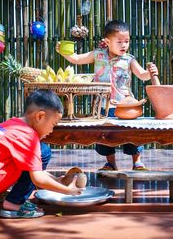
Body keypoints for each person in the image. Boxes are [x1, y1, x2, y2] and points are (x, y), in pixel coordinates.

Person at [55, 20, 158, 171]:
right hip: (102, 105)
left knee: (131, 134)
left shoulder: (129, 59)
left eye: (127, 41)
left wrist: (150, 72)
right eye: (120, 42)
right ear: (107, 41)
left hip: (125, 105)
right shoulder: (97, 55)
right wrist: (64, 52)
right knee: (105, 136)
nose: (124, 45)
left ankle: (137, 162)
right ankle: (111, 163)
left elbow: (142, 75)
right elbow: (76, 59)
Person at [0, 89, 84, 218]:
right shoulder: (28, 137)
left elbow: (28, 167)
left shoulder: (13, 124)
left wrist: (56, 180)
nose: (52, 130)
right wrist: (68, 191)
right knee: (43, 151)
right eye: (53, 124)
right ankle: (14, 203)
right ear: (40, 116)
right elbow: (37, 178)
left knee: (33, 157)